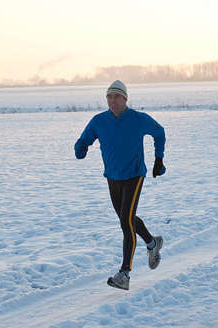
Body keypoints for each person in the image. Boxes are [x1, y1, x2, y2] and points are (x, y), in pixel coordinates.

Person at [74, 80, 166, 290]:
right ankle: (152, 243)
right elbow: (85, 139)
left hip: (134, 175)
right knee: (128, 218)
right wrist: (81, 147)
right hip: (112, 176)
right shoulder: (99, 121)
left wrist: (158, 160)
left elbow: (159, 133)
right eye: (109, 97)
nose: (112, 101)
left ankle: (124, 273)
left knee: (125, 221)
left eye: (116, 97)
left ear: (125, 99)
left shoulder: (138, 119)